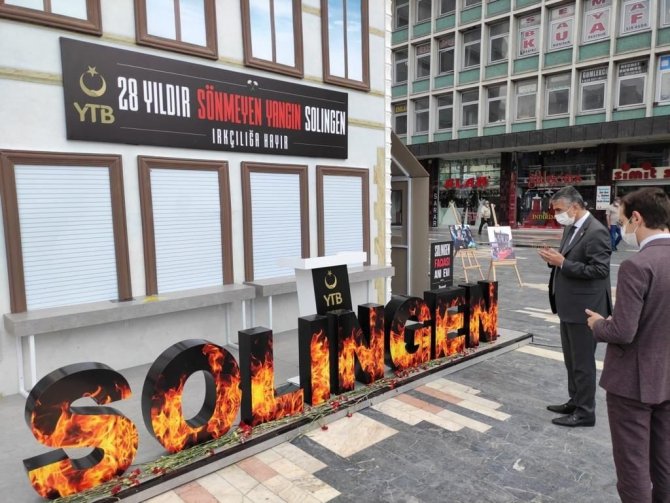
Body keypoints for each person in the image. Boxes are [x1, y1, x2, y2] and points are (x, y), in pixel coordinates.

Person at [585, 187, 670, 503]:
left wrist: (598, 324)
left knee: (633, 469)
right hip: (666, 376)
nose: (622, 229)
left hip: (632, 383)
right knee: (664, 463)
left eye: (621, 222)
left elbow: (623, 331)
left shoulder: (638, 265)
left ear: (637, 218)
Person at [537, 186, 611, 427]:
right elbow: (568, 258)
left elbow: (600, 270)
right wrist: (554, 259)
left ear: (575, 207)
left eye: (559, 210)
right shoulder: (571, 227)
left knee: (583, 363)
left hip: (586, 309)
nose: (556, 215)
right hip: (569, 306)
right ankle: (575, 401)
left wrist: (563, 263)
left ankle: (586, 412)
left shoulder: (596, 231)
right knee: (571, 360)